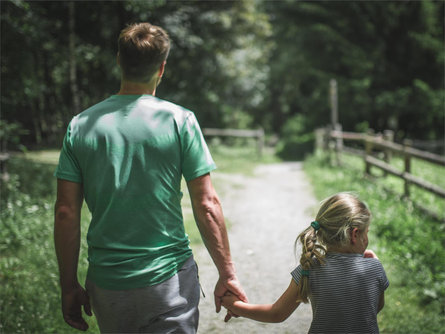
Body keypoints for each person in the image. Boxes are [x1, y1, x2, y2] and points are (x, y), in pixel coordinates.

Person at [54, 22, 246, 333]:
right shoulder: (180, 121)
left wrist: (67, 286)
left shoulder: (81, 125)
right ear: (162, 67)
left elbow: (65, 212)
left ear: (119, 60)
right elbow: (207, 203)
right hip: (169, 282)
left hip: (107, 284)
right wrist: (227, 273)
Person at [222, 192, 389, 334]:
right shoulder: (374, 268)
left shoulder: (310, 268)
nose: (366, 239)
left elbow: (276, 314)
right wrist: (375, 263)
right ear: (355, 234)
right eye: (366, 233)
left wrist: (235, 305)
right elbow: (375, 308)